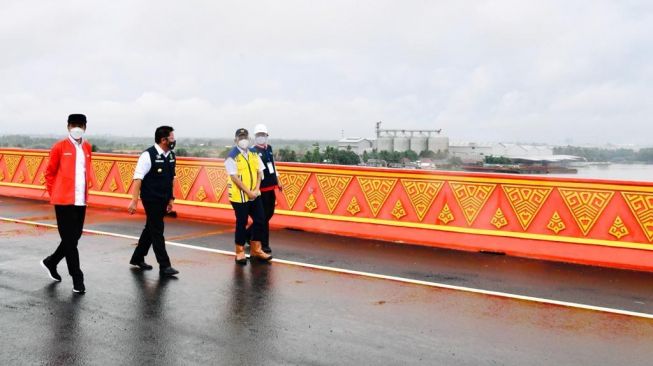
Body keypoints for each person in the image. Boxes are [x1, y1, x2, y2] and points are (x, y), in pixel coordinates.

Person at [41, 114, 92, 294]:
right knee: (71, 242)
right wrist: (55, 194)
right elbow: (49, 173)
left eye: (80, 125)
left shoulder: (87, 147)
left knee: (74, 237)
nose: (77, 128)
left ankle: (51, 261)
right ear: (68, 126)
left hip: (80, 200)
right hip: (63, 201)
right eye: (74, 125)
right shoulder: (59, 147)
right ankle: (78, 279)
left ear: (85, 127)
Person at [127, 125, 179, 277]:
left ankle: (137, 258)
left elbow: (171, 179)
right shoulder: (147, 155)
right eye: (171, 138)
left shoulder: (170, 155)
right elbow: (138, 179)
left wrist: (171, 199)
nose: (173, 141)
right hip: (151, 199)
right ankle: (165, 265)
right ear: (163, 140)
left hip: (163, 198)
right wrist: (134, 201)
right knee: (157, 230)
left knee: (150, 228)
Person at [225, 128, 273, 265]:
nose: (243, 140)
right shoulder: (232, 156)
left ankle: (256, 249)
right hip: (239, 196)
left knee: (260, 220)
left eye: (245, 137)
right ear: (235, 140)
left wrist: (256, 189)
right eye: (240, 138)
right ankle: (240, 251)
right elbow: (234, 178)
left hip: (254, 194)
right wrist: (248, 192)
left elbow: (259, 172)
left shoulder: (253, 153)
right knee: (242, 222)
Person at [245, 124, 283, 254]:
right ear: (255, 137)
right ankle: (264, 245)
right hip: (260, 189)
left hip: (271, 186)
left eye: (263, 135)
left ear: (267, 136)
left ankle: (247, 234)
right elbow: (255, 171)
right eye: (258, 135)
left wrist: (278, 180)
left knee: (268, 214)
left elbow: (273, 165)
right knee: (263, 217)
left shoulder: (269, 149)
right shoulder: (252, 151)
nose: (261, 137)